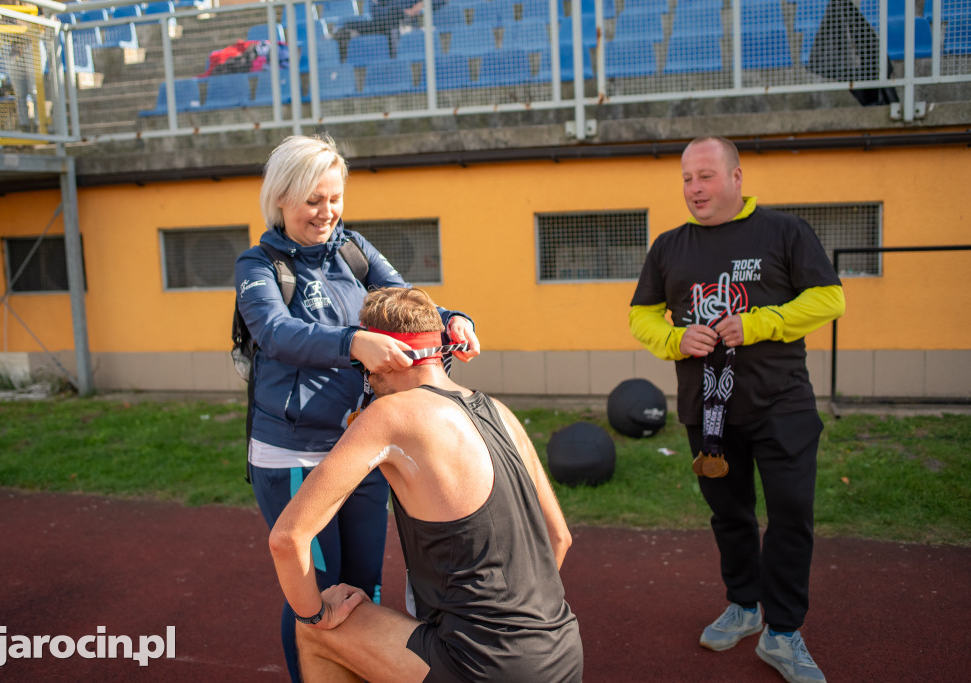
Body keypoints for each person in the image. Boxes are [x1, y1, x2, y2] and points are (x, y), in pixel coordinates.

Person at [235, 134, 480, 683]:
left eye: (334, 198)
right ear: (280, 199)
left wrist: (451, 319)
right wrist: (353, 341)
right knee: (316, 594)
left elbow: (404, 300)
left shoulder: (353, 248)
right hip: (292, 454)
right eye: (312, 200)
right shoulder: (256, 264)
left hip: (361, 446)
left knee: (364, 587)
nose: (326, 213)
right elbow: (276, 333)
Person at [268, 287, 583, 682]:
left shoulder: (390, 414)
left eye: (362, 365)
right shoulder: (499, 410)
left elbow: (288, 538)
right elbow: (560, 538)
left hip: (482, 665)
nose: (364, 378)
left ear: (382, 358)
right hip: (562, 650)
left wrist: (315, 612)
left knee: (313, 633)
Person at [629, 136, 845, 683]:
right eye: (686, 178)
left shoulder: (785, 232)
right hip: (709, 411)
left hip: (782, 405)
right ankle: (745, 607)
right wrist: (677, 339)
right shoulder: (668, 246)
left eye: (705, 176)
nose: (694, 188)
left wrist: (759, 323)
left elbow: (829, 298)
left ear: (736, 177)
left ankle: (783, 633)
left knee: (792, 516)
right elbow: (642, 316)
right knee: (729, 515)